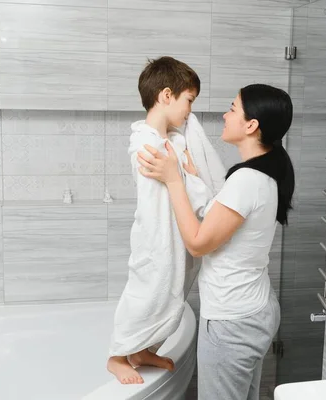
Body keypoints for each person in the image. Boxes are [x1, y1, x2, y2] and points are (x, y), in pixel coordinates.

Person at [138, 83, 295, 399]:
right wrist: (190, 177)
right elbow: (220, 215)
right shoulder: (263, 173)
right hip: (253, 308)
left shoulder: (246, 180)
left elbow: (197, 242)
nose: (225, 115)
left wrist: (173, 181)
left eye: (233, 109)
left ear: (251, 126)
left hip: (233, 322)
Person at [107, 56, 214, 385]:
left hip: (173, 234)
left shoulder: (172, 140)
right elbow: (174, 185)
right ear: (167, 95)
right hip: (155, 236)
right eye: (189, 101)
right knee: (147, 290)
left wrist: (188, 172)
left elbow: (183, 181)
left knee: (171, 291)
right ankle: (117, 354)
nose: (190, 112)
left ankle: (144, 349)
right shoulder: (147, 143)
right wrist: (196, 184)